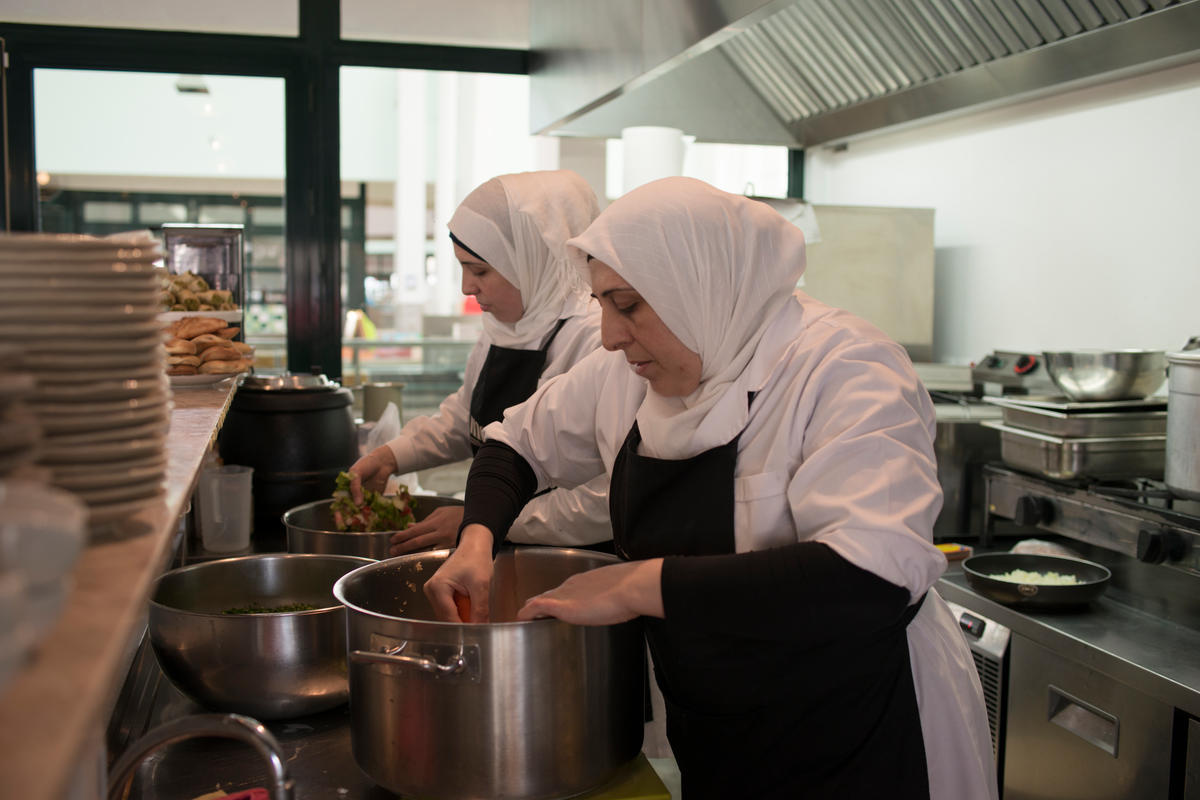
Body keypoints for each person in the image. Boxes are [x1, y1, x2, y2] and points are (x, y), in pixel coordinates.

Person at [424, 177, 999, 799]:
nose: (612, 335)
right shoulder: (630, 371)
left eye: (628, 304)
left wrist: (637, 584)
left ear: (694, 283)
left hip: (859, 729)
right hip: (719, 724)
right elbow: (515, 444)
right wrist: (476, 539)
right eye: (602, 305)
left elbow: (871, 577)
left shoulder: (844, 368)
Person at [349, 169, 612, 554]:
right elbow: (467, 418)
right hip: (499, 546)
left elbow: (604, 496)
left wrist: (483, 522)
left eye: (480, 270)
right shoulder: (504, 325)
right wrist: (393, 455)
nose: (466, 288)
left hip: (572, 559)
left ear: (533, 259)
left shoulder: (597, 338)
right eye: (463, 268)